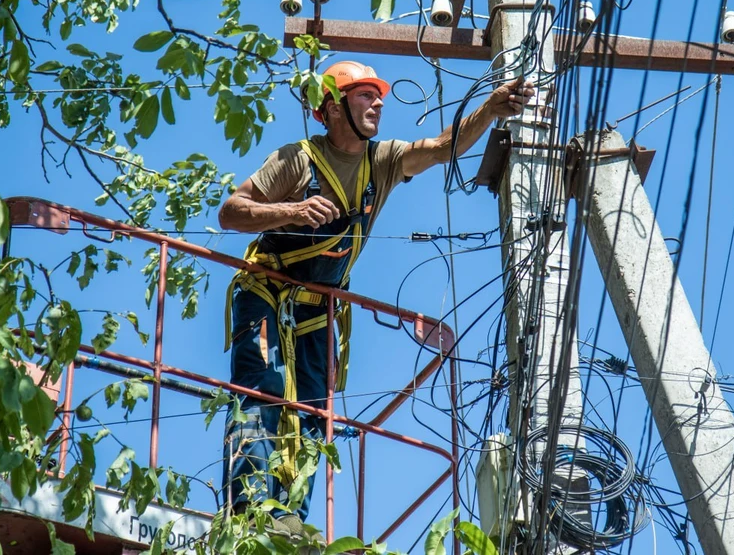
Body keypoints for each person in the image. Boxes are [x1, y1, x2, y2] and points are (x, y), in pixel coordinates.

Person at [217, 60, 534, 523]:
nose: (378, 102)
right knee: (263, 388)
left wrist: (489, 109)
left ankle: (289, 519)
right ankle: (247, 510)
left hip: (318, 309)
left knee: (313, 413)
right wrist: (290, 210)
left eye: (377, 95)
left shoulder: (380, 161)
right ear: (333, 106)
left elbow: (442, 148)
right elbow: (231, 212)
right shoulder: (297, 160)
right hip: (266, 289)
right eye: (365, 95)